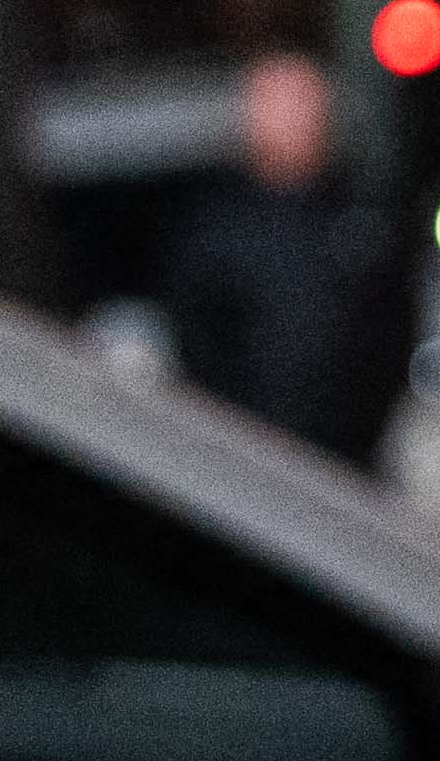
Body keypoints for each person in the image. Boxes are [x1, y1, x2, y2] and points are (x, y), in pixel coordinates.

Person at [155, 47, 409, 457]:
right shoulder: (213, 225)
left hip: (351, 459)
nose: (289, 115)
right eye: (274, 101)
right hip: (243, 453)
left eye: (301, 102)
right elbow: (194, 334)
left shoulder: (362, 215)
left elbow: (393, 330)